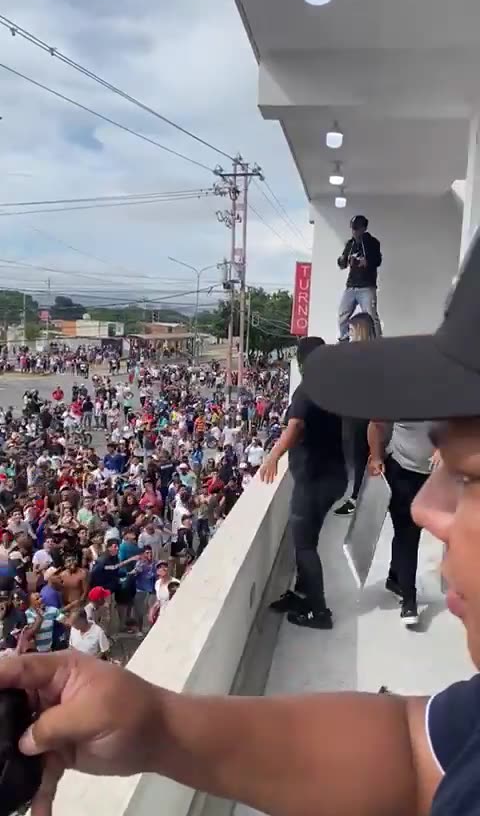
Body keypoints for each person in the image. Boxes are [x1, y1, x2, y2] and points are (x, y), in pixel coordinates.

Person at [6, 231, 480, 816]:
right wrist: (157, 725)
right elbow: (417, 752)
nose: (423, 507)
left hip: (314, 486)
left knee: (307, 543)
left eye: (469, 474)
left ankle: (317, 602)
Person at [260, 336, 347, 629]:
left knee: (305, 546)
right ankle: (301, 592)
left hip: (314, 479)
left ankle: (318, 611)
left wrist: (273, 456)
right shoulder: (333, 387)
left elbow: (296, 425)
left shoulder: (307, 389)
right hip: (333, 476)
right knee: (308, 540)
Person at [368, 420, 434, 626]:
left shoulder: (446, 395)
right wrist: (376, 457)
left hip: (432, 477)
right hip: (401, 471)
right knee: (408, 535)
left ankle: (395, 578)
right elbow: (376, 423)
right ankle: (409, 600)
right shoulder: (399, 393)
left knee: (407, 533)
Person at [335, 312, 376, 516]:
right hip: (354, 413)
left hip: (360, 415)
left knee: (360, 457)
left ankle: (356, 498)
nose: (348, 335)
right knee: (356, 456)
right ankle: (357, 496)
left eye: (351, 330)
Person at [337, 215, 382, 340]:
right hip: (351, 286)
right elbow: (342, 264)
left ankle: (377, 341)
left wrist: (366, 262)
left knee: (371, 316)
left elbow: (378, 260)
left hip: (367, 286)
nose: (354, 231)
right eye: (352, 228)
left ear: (364, 228)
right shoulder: (350, 244)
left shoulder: (373, 242)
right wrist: (342, 261)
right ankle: (344, 339)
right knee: (342, 315)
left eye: (357, 228)